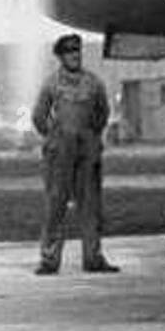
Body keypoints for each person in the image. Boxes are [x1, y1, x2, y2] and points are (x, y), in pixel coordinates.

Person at [31, 33, 117, 275]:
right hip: (61, 153)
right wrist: (54, 137)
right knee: (55, 204)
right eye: (69, 52)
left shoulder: (93, 82)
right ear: (61, 57)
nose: (75, 56)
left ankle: (93, 257)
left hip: (87, 150)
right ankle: (49, 260)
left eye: (77, 51)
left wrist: (91, 136)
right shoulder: (51, 83)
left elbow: (102, 113)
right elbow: (39, 116)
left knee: (90, 204)